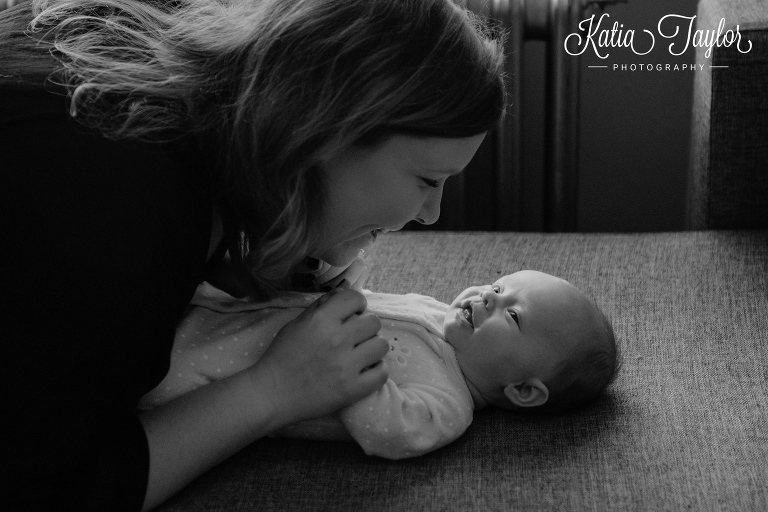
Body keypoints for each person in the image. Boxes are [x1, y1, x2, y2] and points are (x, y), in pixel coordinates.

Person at [0, 0, 506, 509]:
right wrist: (271, 391)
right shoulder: (124, 204)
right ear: (328, 132)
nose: (431, 213)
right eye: (427, 180)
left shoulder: (166, 64)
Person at [141, 270, 621, 459]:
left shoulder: (446, 407)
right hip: (220, 308)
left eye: (512, 315)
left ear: (523, 390)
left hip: (194, 377)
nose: (487, 298)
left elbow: (385, 431)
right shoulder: (436, 311)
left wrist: (355, 368)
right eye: (498, 286)